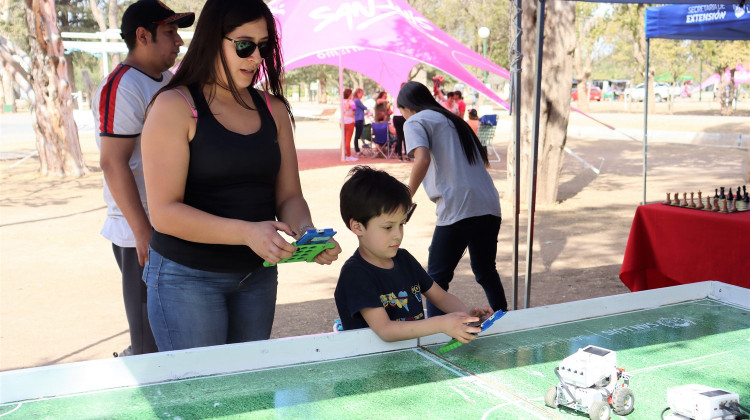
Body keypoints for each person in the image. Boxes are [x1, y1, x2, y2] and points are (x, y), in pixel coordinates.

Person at [140, 0, 341, 352]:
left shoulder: (273, 109)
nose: (256, 58)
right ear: (213, 40)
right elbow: (164, 213)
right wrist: (247, 232)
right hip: (186, 278)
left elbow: (289, 196)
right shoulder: (175, 107)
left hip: (256, 277)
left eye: (264, 47)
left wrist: (308, 235)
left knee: (246, 393)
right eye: (245, 45)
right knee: (199, 398)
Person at [92, 0, 194, 357]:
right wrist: (142, 232)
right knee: (150, 340)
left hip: (172, 221)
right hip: (142, 232)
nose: (178, 41)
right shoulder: (121, 86)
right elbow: (113, 163)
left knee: (178, 334)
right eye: (169, 32)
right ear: (142, 36)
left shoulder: (167, 81)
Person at [335, 166, 493, 342]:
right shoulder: (355, 274)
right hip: (372, 365)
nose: (398, 234)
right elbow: (386, 330)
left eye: (401, 224)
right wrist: (440, 323)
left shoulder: (404, 259)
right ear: (357, 227)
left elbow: (440, 296)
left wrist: (467, 317)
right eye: (388, 227)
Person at [397, 81, 508, 317]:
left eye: (401, 111)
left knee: (435, 280)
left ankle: (435, 335)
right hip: (488, 203)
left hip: (458, 206)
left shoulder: (415, 121)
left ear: (407, 107)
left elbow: (422, 159)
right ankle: (504, 318)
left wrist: (406, 197)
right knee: (486, 270)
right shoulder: (455, 120)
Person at [391, 82, 409, 162]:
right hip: (403, 116)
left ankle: (399, 155)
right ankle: (407, 155)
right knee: (405, 137)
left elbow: (394, 107)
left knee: (399, 136)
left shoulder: (396, 96)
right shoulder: (406, 97)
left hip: (396, 117)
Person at [342, 88, 358, 161]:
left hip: (342, 121)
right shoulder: (351, 101)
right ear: (350, 94)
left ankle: (343, 154)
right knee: (348, 139)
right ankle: (349, 155)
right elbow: (354, 108)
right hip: (349, 121)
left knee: (344, 139)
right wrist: (352, 114)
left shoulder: (341, 101)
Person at [352, 88, 368, 157]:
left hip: (359, 118)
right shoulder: (357, 101)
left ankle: (358, 149)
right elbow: (364, 107)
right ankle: (357, 149)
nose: (362, 95)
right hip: (358, 120)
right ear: (358, 93)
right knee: (358, 135)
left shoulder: (356, 100)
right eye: (361, 93)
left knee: (359, 135)